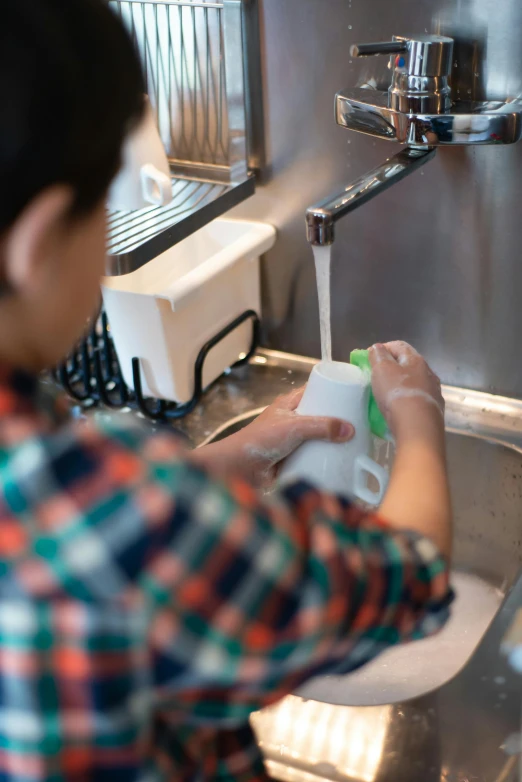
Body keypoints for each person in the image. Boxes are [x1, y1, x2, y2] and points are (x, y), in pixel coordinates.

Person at [0, 1, 453, 780]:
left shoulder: (66, 485)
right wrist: (418, 423)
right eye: (103, 207)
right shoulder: (120, 514)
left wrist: (216, 465)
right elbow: (409, 578)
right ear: (39, 244)